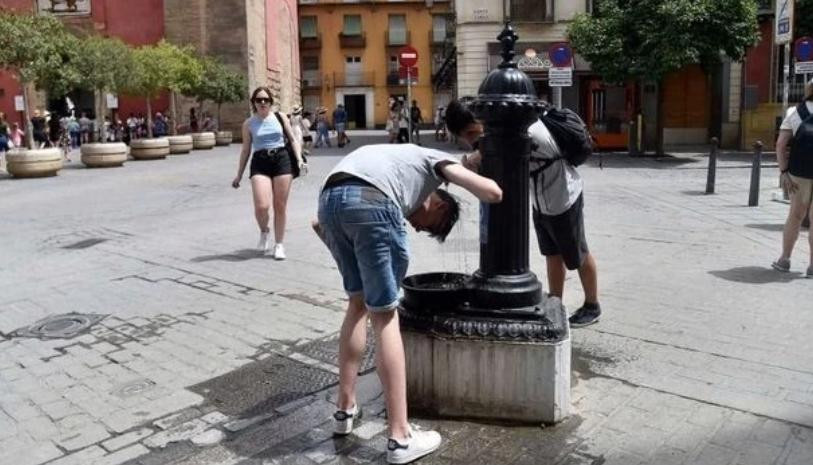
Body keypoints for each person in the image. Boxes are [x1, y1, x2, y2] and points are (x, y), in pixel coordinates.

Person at [315, 143, 502, 464]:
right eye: (427, 225)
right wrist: (495, 187)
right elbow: (492, 193)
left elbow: (318, 226)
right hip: (372, 201)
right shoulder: (432, 160)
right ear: (439, 205)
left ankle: (344, 411)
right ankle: (400, 438)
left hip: (328, 200)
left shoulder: (400, 161)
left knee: (356, 305)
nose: (415, 227)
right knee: (385, 318)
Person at [445, 99, 602, 327]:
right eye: (465, 137)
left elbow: (502, 153)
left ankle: (592, 305)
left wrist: (475, 159)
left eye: (471, 132)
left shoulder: (522, 129)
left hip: (563, 197)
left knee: (577, 253)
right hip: (541, 200)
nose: (471, 141)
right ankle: (555, 303)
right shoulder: (504, 128)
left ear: (482, 119)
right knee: (552, 252)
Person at [232, 87, 305, 260]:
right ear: (254, 103)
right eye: (259, 100)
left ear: (271, 102)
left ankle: (279, 244)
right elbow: (245, 150)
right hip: (260, 161)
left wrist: (299, 159)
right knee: (262, 206)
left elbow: (293, 139)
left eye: (266, 100)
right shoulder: (249, 124)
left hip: (282, 159)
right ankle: (264, 231)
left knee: (280, 205)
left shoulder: (280, 117)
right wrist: (239, 175)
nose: (263, 103)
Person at [773, 78, 813, 278]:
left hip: (799, 173)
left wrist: (783, 172)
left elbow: (780, 145)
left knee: (795, 216)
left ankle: (785, 259)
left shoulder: (794, 112)